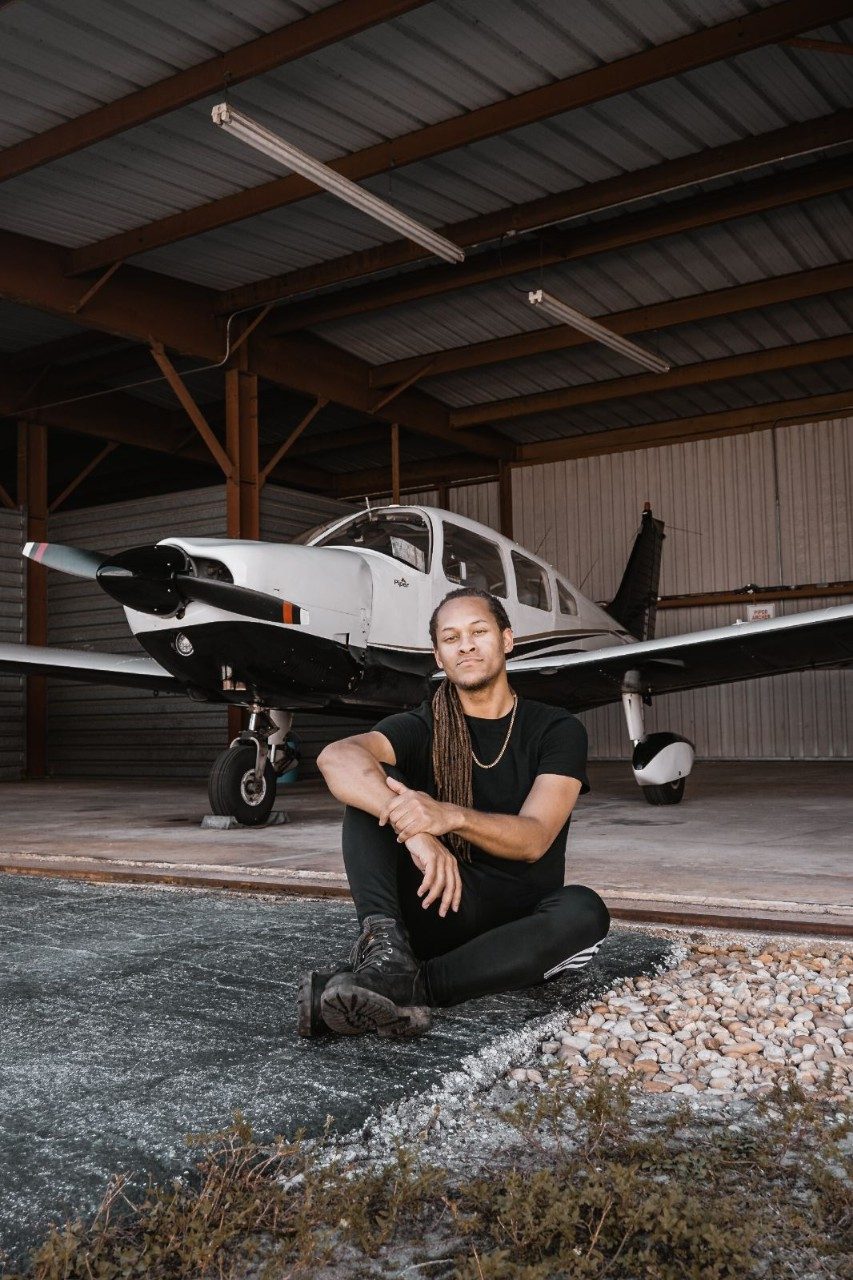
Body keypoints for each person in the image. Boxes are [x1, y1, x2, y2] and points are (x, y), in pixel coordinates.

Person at [298, 587, 610, 1038]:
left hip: (518, 923)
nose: (465, 645)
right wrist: (417, 831)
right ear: (439, 656)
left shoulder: (556, 729)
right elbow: (336, 757)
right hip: (439, 901)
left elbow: (534, 838)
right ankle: (387, 955)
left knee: (585, 912)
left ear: (506, 640)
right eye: (451, 638)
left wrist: (449, 817)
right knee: (373, 788)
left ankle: (407, 987)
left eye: (478, 631)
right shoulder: (424, 724)